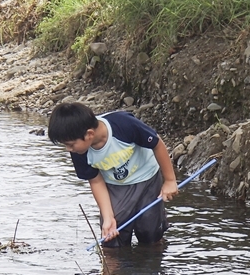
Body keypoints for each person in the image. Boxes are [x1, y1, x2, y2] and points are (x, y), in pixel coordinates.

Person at [48, 102, 178, 247]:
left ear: (89, 134)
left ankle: (152, 263)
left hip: (148, 178)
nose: (68, 149)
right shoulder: (79, 152)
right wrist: (107, 216)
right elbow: (96, 181)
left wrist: (170, 180)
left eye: (70, 144)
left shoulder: (123, 125)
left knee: (150, 234)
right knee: (111, 236)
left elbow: (156, 143)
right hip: (115, 186)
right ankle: (113, 268)